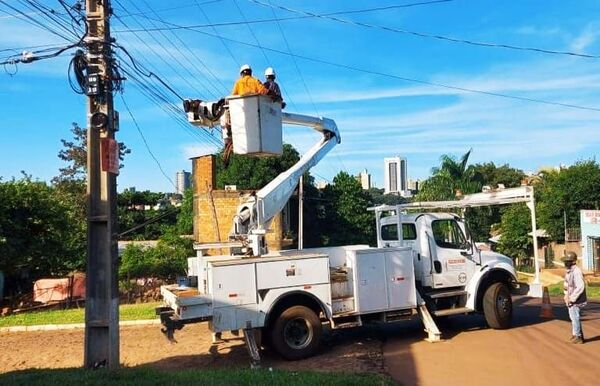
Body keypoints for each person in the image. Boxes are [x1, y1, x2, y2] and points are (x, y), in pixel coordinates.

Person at [563, 251, 587, 344]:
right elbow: (566, 284)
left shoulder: (576, 271)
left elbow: (580, 286)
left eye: (567, 261)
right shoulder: (569, 271)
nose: (565, 263)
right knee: (573, 317)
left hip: (576, 298)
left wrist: (572, 298)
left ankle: (578, 336)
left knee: (575, 316)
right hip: (570, 297)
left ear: (573, 261)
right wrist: (565, 295)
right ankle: (577, 334)